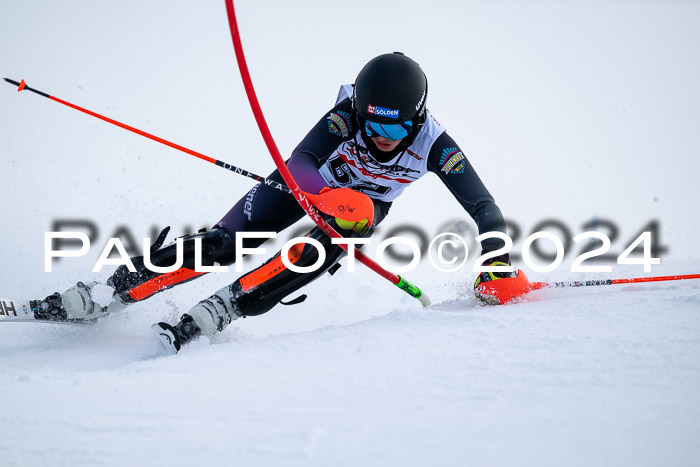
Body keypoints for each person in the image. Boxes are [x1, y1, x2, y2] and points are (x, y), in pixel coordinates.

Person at [33, 52, 514, 352]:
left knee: (340, 231)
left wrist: (497, 263)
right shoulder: (347, 114)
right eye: (374, 126)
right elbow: (302, 158)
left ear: (416, 118)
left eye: (395, 128)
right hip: (308, 186)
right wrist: (322, 196)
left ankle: (225, 308)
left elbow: (484, 208)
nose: (382, 138)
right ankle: (104, 294)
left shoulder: (435, 143)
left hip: (358, 210)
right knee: (222, 244)